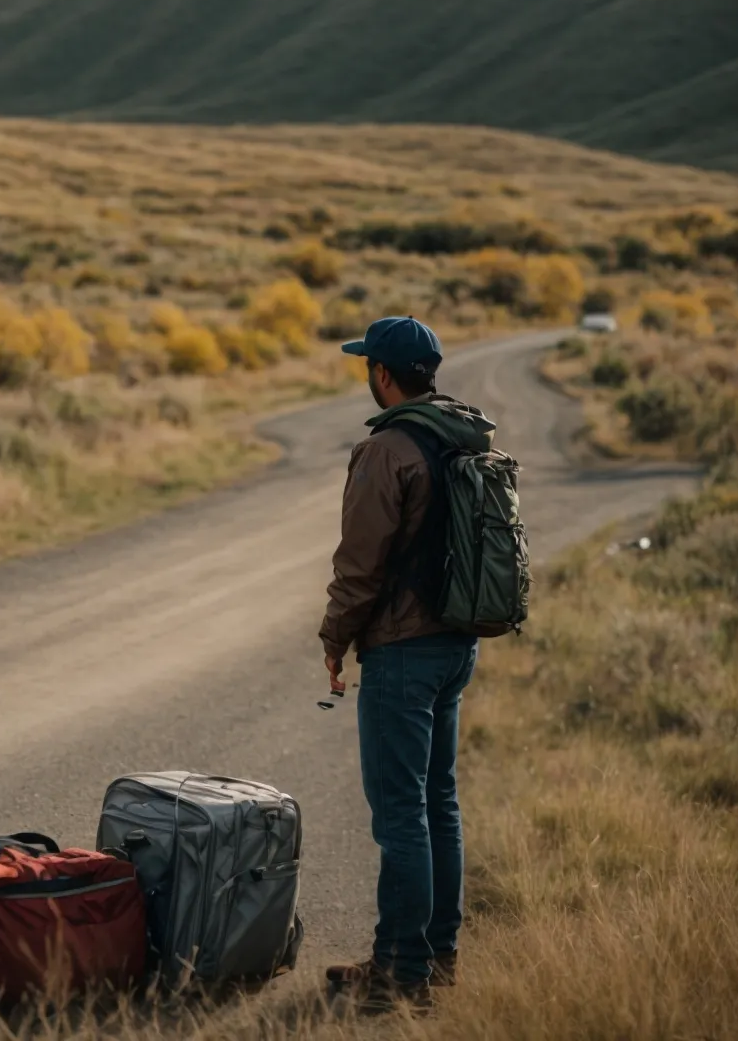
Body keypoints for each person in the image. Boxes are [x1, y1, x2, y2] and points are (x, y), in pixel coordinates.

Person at [319, 316, 497, 1013]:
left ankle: (398, 973)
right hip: (457, 645)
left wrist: (335, 637)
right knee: (437, 806)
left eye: (370, 365)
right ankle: (436, 958)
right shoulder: (461, 435)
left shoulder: (387, 448)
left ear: (384, 375)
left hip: (400, 654)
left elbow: (359, 569)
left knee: (401, 820)